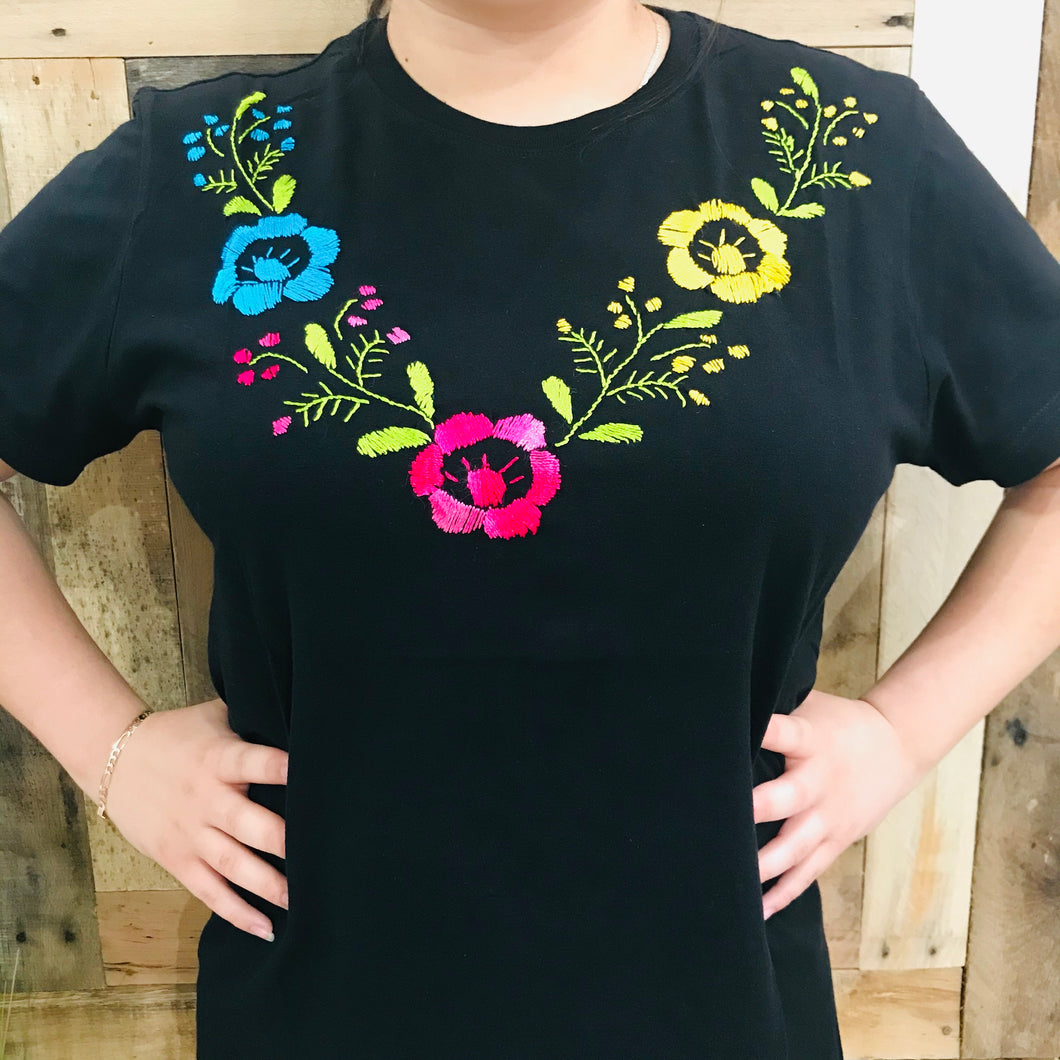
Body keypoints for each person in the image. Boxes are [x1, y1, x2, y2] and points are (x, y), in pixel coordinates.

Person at [1, 1, 1059, 1056]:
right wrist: (114, 752)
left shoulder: (850, 154)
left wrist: (902, 733)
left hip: (718, 1004)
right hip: (324, 1005)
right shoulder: (203, 172)